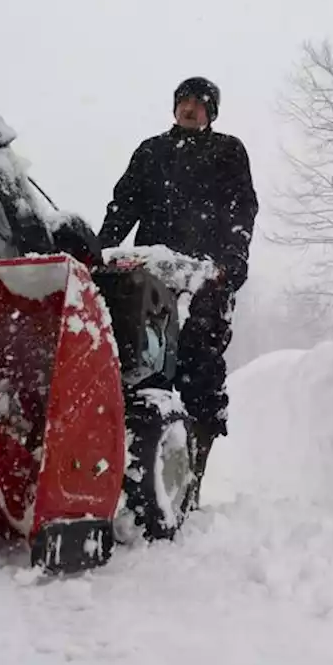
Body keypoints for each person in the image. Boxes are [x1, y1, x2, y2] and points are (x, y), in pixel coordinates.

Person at [97, 76, 258, 510]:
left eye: (199, 103)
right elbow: (123, 204)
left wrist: (229, 265)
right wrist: (98, 252)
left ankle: (191, 481)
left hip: (207, 280)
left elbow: (242, 209)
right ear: (174, 108)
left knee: (201, 376)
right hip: (151, 280)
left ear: (211, 113)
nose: (190, 108)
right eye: (184, 101)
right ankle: (135, 471)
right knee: (141, 372)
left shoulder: (228, 151)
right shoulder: (151, 152)